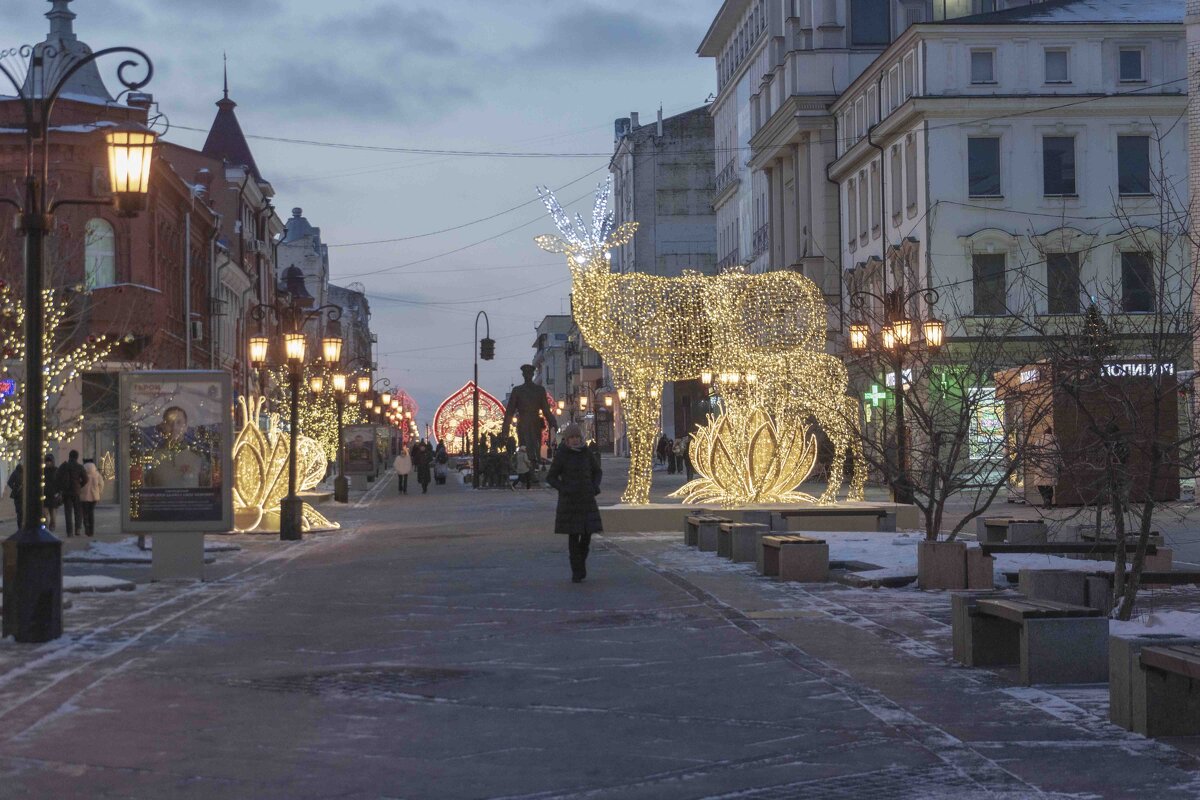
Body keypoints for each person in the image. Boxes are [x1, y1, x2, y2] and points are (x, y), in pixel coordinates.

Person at [547, 423, 602, 583]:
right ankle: (577, 571)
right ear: (566, 439)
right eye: (572, 438)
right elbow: (551, 477)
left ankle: (581, 563)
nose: (575, 440)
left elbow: (597, 471)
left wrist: (594, 487)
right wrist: (563, 488)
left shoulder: (586, 453)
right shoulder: (562, 454)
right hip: (570, 501)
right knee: (573, 536)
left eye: (577, 437)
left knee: (587, 536)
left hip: (586, 500)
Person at [56, 450, 87, 537]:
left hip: (66, 492)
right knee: (78, 511)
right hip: (76, 491)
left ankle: (69, 531)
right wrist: (80, 485)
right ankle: (78, 529)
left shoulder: (63, 466)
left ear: (69, 456)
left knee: (68, 512)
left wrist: (60, 488)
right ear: (77, 457)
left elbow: (57, 477)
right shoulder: (79, 467)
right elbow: (86, 479)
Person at [1034, 426, 1060, 509]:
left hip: (1041, 467)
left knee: (1040, 484)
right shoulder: (1055, 444)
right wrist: (1061, 466)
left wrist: (1034, 463)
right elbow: (1059, 456)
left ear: (1044, 434)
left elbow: (1035, 455)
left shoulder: (1039, 442)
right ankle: (1048, 501)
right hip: (1052, 467)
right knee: (1050, 485)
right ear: (1051, 434)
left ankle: (1045, 499)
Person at [80, 458, 103, 538]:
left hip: (83, 496)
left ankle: (87, 530)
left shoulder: (82, 473)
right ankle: (91, 531)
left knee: (85, 514)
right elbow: (101, 484)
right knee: (91, 513)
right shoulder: (97, 474)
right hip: (94, 496)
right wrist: (98, 492)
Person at [41, 455, 59, 532]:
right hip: (45, 494)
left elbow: (59, 482)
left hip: (53, 494)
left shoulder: (56, 470)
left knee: (53, 514)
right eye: (47, 461)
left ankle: (52, 526)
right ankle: (46, 527)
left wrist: (58, 492)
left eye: (49, 461)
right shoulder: (42, 471)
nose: (48, 463)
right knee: (45, 513)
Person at [6, 462, 22, 529]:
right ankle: (20, 527)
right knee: (19, 512)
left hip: (25, 496)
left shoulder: (27, 472)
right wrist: (15, 488)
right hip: (18, 495)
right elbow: (9, 482)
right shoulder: (16, 473)